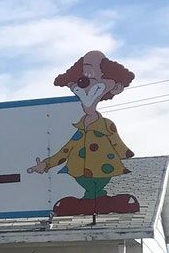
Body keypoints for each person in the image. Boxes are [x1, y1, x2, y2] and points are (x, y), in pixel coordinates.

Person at [28, 51, 139, 216]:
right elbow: (66, 149)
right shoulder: (79, 129)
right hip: (78, 169)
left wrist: (125, 154)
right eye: (83, 81)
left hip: (104, 168)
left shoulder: (106, 125)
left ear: (114, 87)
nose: (88, 87)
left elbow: (118, 145)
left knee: (96, 186)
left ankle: (99, 201)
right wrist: (46, 164)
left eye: (96, 80)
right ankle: (89, 202)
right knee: (86, 187)